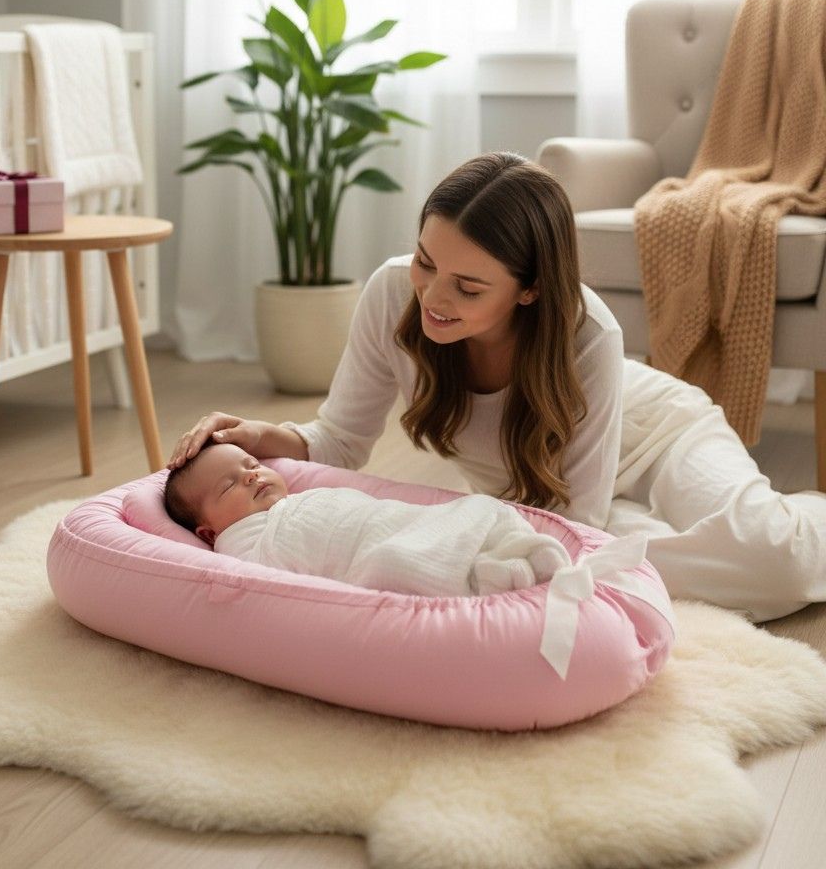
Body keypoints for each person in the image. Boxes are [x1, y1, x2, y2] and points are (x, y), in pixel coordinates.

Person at [168, 152, 826, 623]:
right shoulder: (392, 293)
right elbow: (339, 441)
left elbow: (579, 524)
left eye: (468, 287)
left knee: (778, 559)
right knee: (599, 561)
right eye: (426, 261)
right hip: (546, 499)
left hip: (659, 435)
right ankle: (701, 542)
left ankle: (797, 521)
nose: (433, 296)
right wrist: (261, 435)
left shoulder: (587, 332)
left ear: (530, 289)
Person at [163, 441, 572, 596]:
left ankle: (503, 548)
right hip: (378, 551)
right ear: (208, 531)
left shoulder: (300, 498)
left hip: (394, 523)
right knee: (397, 563)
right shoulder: (238, 542)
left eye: (252, 464)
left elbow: (372, 514)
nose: (252, 476)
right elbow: (255, 585)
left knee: (478, 508)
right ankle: (490, 574)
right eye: (229, 485)